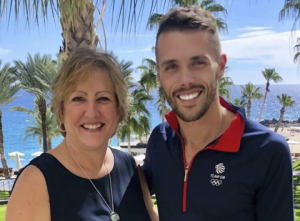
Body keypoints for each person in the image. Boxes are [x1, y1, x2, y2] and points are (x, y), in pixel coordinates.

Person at [142, 6, 294, 221]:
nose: (185, 79)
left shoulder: (267, 151)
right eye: (171, 66)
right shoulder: (160, 140)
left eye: (197, 63)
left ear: (220, 66)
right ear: (159, 75)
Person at [6, 48, 157, 221]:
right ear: (61, 111)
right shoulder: (35, 182)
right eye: (78, 99)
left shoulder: (131, 168)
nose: (92, 113)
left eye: (103, 98)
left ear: (118, 109)